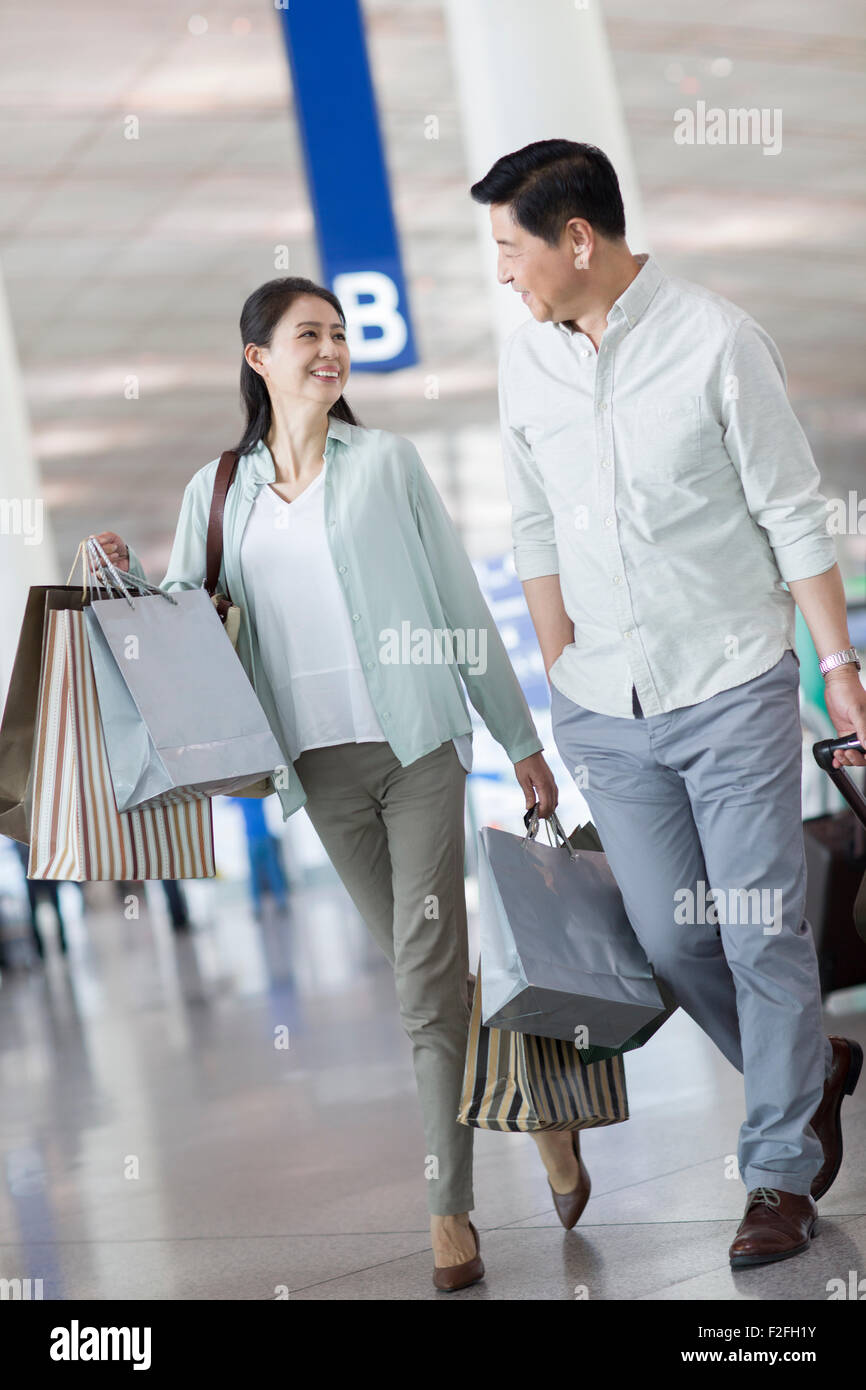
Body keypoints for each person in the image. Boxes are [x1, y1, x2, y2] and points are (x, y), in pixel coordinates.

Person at [92, 275, 558, 1291]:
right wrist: (123, 579)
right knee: (424, 969)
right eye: (308, 334)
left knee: (422, 987)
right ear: (256, 357)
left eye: (339, 334)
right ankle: (543, 1109)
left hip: (419, 750)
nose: (330, 349)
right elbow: (184, 623)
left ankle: (448, 1210)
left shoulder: (385, 464)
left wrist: (521, 739)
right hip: (318, 770)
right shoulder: (216, 492)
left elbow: (456, 606)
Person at [470, 139, 866, 1269]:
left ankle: (775, 1172)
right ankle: (810, 1070)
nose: (503, 271)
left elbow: (793, 515)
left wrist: (835, 668)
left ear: (576, 240)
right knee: (670, 937)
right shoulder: (523, 365)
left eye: (510, 247)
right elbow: (533, 526)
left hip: (731, 681)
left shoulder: (717, 343)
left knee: (758, 933)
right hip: (605, 707)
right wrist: (558, 667)